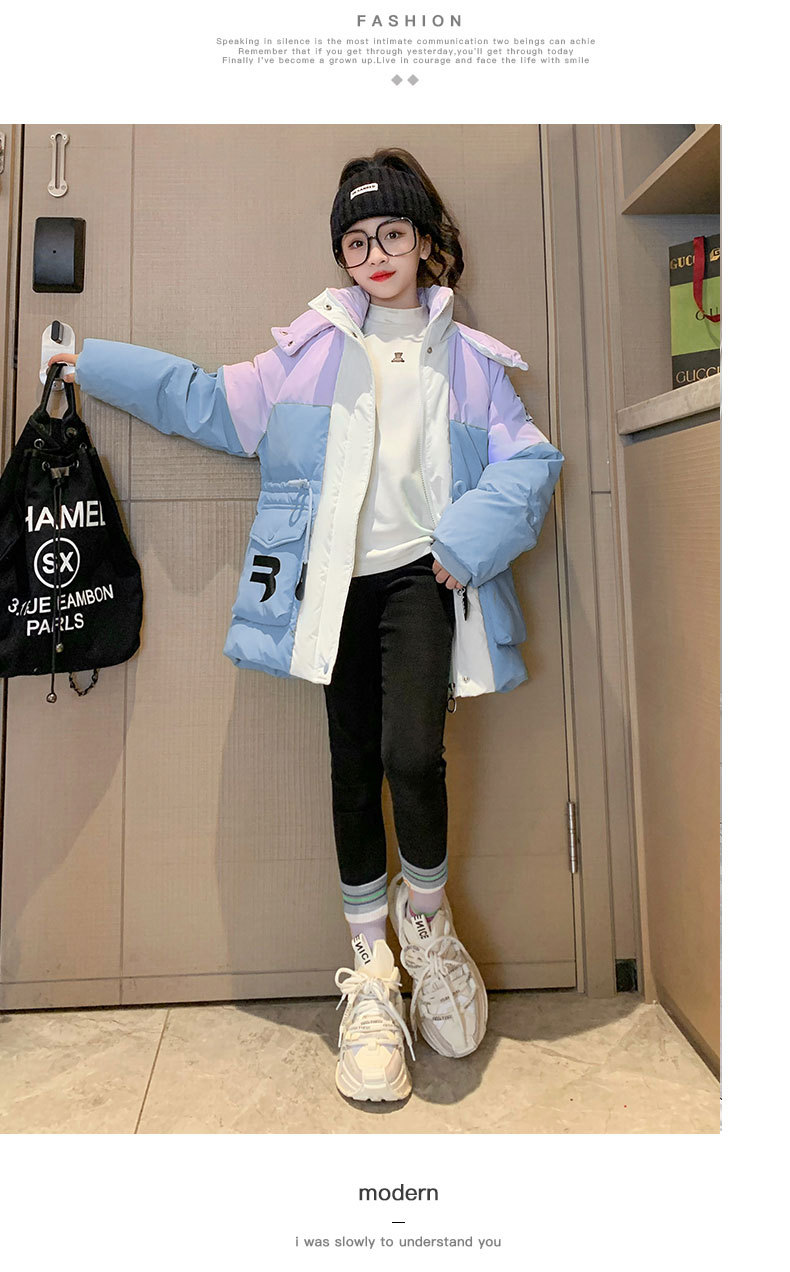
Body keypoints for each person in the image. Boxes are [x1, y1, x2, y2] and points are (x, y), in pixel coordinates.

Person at [49, 147, 565, 1104]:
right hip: (331, 591)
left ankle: (428, 927)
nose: (376, 256)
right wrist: (95, 363)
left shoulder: (470, 360)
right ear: (343, 254)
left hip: (421, 582)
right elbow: (206, 402)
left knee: (413, 757)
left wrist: (463, 543)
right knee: (350, 770)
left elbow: (531, 464)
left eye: (393, 234)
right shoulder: (312, 352)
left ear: (425, 241)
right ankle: (371, 971)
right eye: (357, 241)